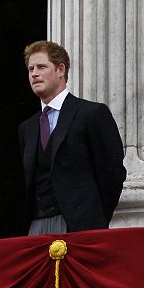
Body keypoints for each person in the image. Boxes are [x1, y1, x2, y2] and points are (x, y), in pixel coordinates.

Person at [20, 40, 126, 235]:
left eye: (42, 67)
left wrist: (93, 219)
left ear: (61, 70)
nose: (34, 73)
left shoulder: (92, 114)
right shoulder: (27, 128)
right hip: (35, 226)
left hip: (80, 226)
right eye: (30, 69)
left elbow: (112, 173)